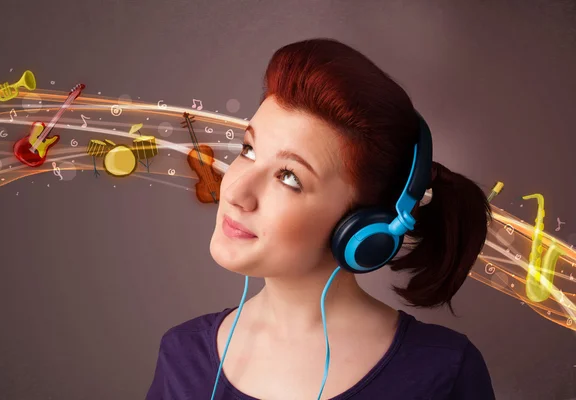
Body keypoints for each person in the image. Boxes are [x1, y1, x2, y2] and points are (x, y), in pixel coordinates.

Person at [146, 38, 496, 400]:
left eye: (289, 177)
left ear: (364, 227)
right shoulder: (181, 357)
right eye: (248, 150)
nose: (234, 193)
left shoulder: (444, 371)